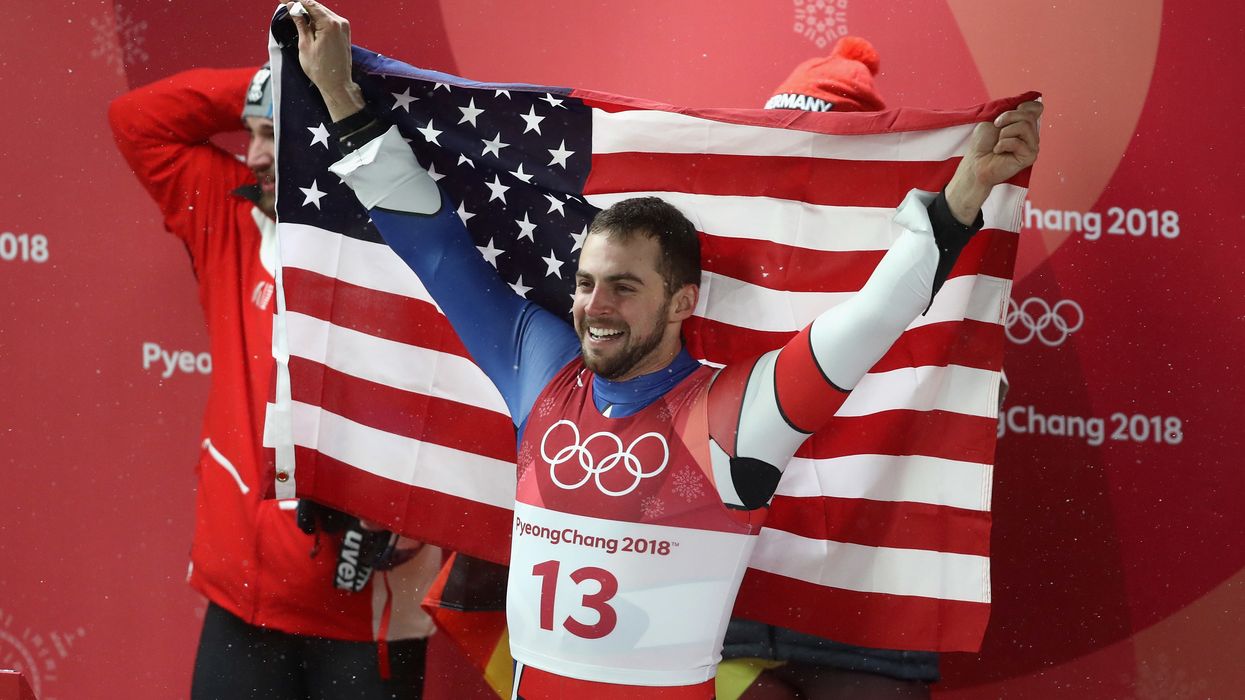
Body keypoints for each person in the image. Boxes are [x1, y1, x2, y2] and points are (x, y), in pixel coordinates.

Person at [286, 2, 1041, 697]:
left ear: (683, 301)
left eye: (622, 286)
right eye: (584, 283)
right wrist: (340, 97)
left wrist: (964, 193)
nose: (593, 307)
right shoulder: (540, 367)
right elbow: (436, 249)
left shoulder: (732, 416)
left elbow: (874, 317)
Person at [108, 63, 442, 699]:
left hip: (363, 616)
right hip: (242, 604)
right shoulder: (233, 216)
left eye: (273, 135)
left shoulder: (407, 244)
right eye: (249, 132)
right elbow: (136, 122)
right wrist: (277, 81)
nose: (254, 154)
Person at [720, 36, 940, 700]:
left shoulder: (932, 261)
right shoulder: (714, 252)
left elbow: (966, 418)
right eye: (785, 142)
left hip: (866, 616)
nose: (800, 165)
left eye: (823, 146)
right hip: (730, 606)